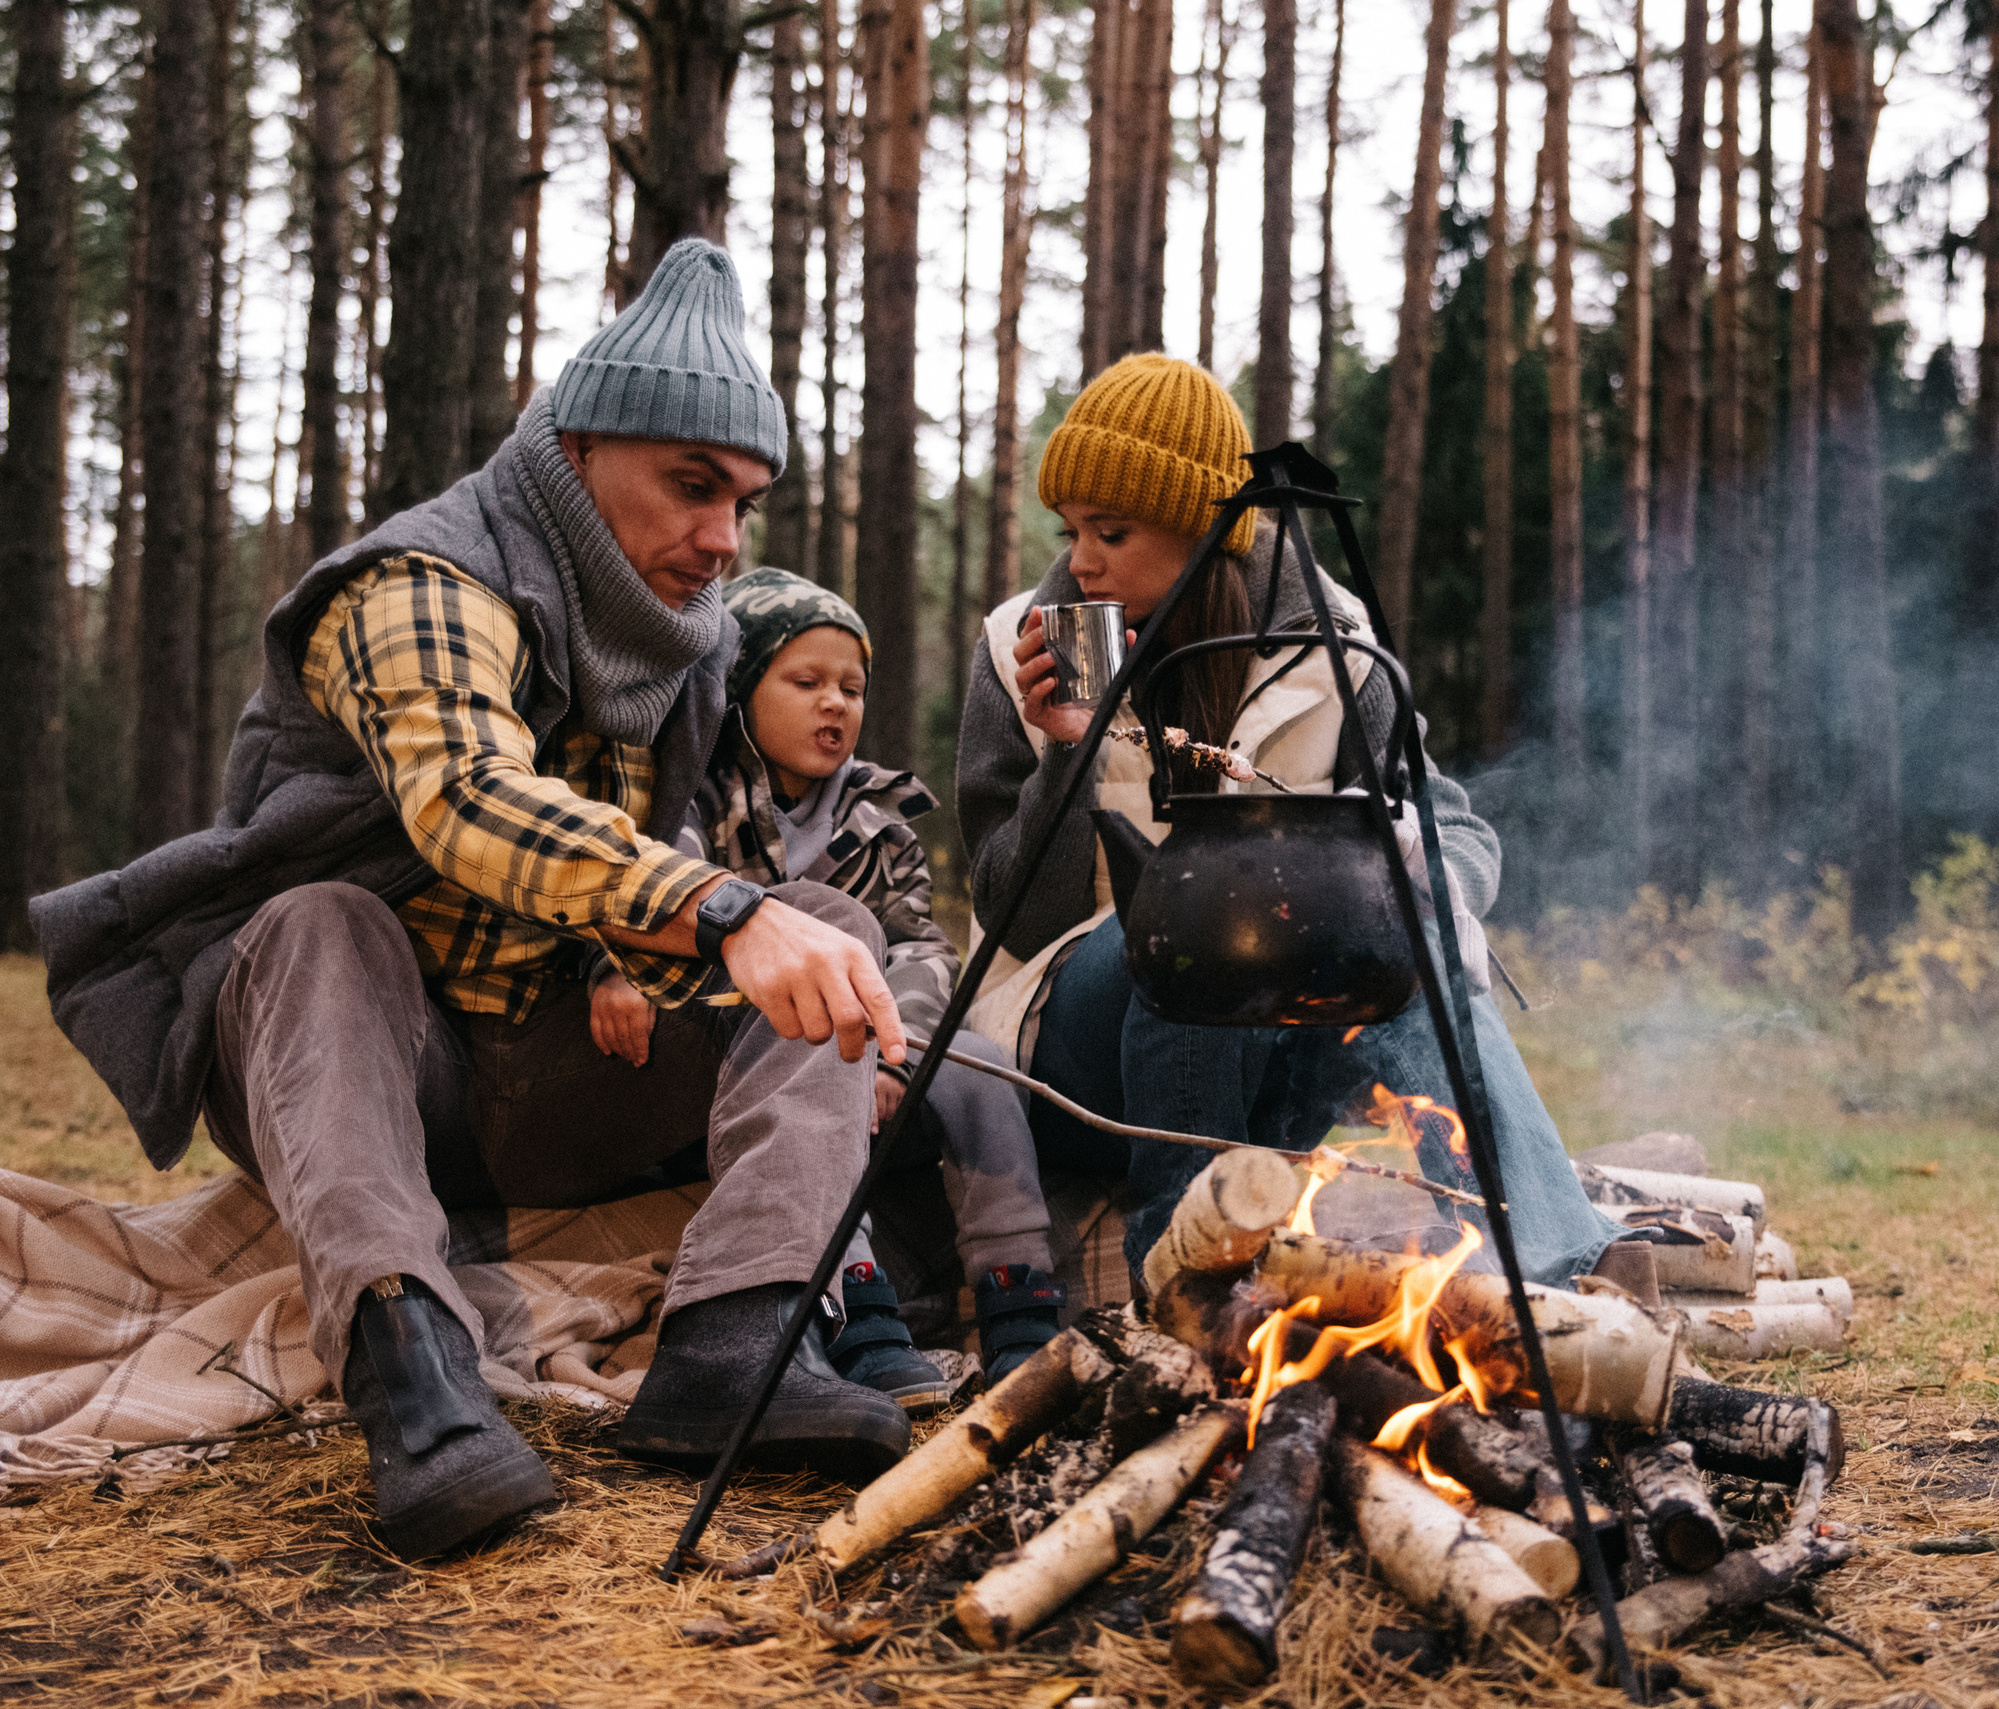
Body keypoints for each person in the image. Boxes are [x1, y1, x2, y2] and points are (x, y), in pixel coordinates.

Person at [32, 242, 914, 1562]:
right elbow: (466, 797)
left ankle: (738, 1344)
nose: (724, 540)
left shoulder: (686, 645)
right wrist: (727, 911)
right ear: (576, 449)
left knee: (835, 929)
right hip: (361, 1077)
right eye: (691, 486)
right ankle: (413, 1371)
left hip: (551, 1082)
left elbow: (657, 847)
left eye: (744, 501)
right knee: (324, 919)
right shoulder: (421, 582)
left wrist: (690, 942)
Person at [953, 353, 1644, 1288]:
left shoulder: (1332, 644)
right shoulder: (1024, 647)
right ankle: (1186, 1271)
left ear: (1201, 527)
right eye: (1071, 530)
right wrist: (1067, 752)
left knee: (1412, 940)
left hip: (1273, 1054)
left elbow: (1454, 827)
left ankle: (1555, 1261)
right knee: (1197, 911)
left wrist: (1421, 880)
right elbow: (1016, 912)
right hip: (1067, 1056)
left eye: (1110, 531)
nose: (1080, 559)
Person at [587, 567, 1064, 1409]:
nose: (834, 704)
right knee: (814, 1041)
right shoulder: (693, 802)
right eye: (805, 681)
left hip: (868, 1040)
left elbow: (920, 946)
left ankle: (1018, 1304)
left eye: (851, 687)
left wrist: (894, 1051)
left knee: (979, 1063)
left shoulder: (880, 818)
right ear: (738, 690)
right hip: (737, 1052)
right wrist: (611, 969)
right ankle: (856, 1307)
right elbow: (639, 897)